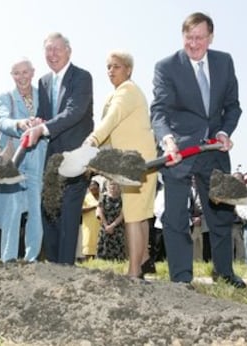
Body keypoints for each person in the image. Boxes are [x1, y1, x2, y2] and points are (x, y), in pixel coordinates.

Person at [150, 12, 244, 288]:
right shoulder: (166, 67)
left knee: (221, 214)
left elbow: (233, 106)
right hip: (178, 152)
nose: (193, 44)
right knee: (176, 215)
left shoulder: (224, 62)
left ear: (210, 37)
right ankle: (181, 278)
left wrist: (225, 132)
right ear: (183, 37)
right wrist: (167, 140)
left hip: (215, 150)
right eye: (189, 37)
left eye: (199, 38)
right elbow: (159, 111)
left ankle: (224, 272)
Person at [21, 32, 94, 265]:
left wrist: (43, 129)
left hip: (75, 157)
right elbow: (45, 114)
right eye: (48, 50)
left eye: (57, 49)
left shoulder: (82, 77)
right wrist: (36, 122)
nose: (52, 54)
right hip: (51, 159)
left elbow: (74, 111)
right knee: (48, 210)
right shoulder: (43, 81)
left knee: (69, 213)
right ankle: (53, 265)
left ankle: (65, 269)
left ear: (68, 51)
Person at [84, 50, 157, 279]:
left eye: (116, 66)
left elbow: (111, 119)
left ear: (128, 70)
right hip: (132, 163)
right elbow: (109, 132)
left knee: (134, 216)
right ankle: (144, 262)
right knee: (141, 214)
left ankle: (134, 272)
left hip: (138, 163)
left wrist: (91, 141)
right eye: (108, 66)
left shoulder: (128, 91)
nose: (110, 71)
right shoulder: (114, 94)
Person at [0, 57, 47, 263]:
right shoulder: (5, 97)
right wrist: (20, 124)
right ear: (12, 76)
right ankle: (7, 258)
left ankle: (31, 257)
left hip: (37, 158)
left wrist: (40, 123)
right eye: (16, 73)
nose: (21, 77)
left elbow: (52, 121)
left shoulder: (44, 96)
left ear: (33, 72)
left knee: (35, 208)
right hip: (14, 159)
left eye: (25, 72)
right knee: (13, 208)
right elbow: (2, 121)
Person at [97, 180, 126, 261]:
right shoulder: (102, 197)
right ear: (107, 186)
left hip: (118, 227)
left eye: (115, 184)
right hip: (105, 226)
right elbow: (99, 211)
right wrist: (106, 226)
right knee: (103, 249)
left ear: (119, 186)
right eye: (111, 184)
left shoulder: (123, 198)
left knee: (117, 252)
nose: (113, 186)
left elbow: (122, 214)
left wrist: (113, 226)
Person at [81, 179, 101, 260]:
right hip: (89, 226)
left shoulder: (103, 196)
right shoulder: (85, 197)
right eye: (91, 186)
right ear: (89, 188)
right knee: (88, 245)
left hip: (101, 226)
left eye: (95, 186)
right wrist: (94, 207)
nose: (93, 187)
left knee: (99, 244)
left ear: (99, 188)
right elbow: (81, 210)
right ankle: (88, 263)